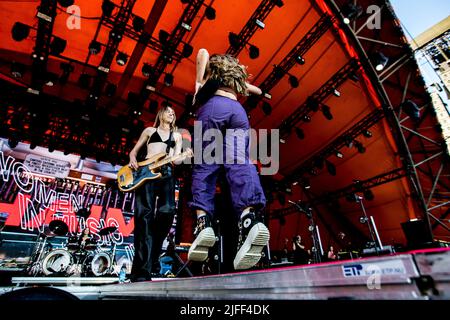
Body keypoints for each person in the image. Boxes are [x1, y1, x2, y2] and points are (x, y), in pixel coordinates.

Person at [188, 48, 270, 270]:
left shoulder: (209, 78)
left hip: (215, 108)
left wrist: (199, 83)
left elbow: (203, 52)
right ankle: (248, 219)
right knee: (239, 162)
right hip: (238, 111)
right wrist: (241, 83)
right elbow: (259, 91)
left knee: (205, 165)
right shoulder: (234, 84)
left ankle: (203, 223)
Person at [128, 106, 189, 282]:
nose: (172, 114)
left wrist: (184, 155)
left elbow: (176, 160)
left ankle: (153, 254)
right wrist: (133, 159)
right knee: (144, 219)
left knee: (167, 211)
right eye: (169, 111)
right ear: (161, 114)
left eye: (173, 113)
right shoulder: (149, 130)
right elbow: (134, 151)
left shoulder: (176, 136)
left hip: (166, 174)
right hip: (146, 173)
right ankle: (141, 272)